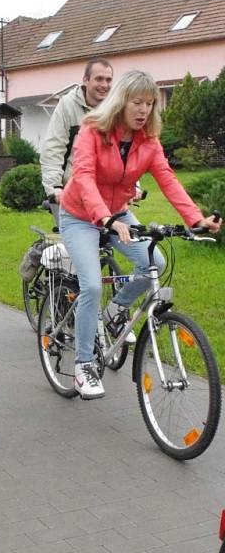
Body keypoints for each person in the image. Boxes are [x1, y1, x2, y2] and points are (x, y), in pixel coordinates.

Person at [59, 70, 221, 400]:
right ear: (121, 101)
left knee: (155, 264)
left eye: (149, 103)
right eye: (137, 102)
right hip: (79, 215)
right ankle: (84, 364)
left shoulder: (148, 141)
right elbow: (85, 178)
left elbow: (168, 179)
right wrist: (104, 218)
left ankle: (116, 311)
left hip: (117, 213)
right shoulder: (93, 129)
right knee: (90, 284)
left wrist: (195, 219)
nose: (143, 109)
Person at [40, 58, 114, 203]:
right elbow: (54, 148)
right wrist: (55, 187)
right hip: (71, 190)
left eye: (108, 80)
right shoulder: (67, 105)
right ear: (86, 80)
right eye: (99, 79)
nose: (104, 85)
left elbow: (127, 151)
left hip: (107, 191)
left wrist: (133, 186)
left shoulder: (116, 107)